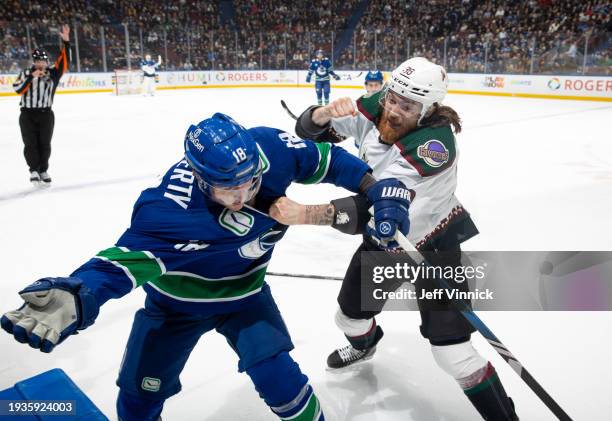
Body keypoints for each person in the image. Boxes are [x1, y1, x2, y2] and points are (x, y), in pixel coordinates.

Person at [1, 113, 409, 421]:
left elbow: (329, 159)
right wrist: (79, 291)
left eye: (251, 181)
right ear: (198, 177)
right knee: (139, 397)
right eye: (229, 187)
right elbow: (116, 266)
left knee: (281, 382)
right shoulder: (166, 210)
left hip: (246, 298)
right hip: (174, 308)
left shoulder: (270, 148)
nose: (243, 194)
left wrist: (375, 188)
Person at [277, 57, 519, 420]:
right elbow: (310, 132)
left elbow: (379, 203)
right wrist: (322, 114)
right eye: (392, 99)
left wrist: (308, 214)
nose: (393, 110)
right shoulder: (381, 103)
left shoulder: (434, 146)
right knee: (348, 321)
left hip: (435, 244)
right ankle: (366, 344)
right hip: (388, 245)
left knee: (453, 355)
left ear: (428, 109)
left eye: (406, 106)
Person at [12, 24, 70, 185]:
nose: (40, 64)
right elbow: (18, 89)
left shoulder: (53, 73)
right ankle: (33, 170)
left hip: (46, 114)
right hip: (27, 114)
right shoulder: (25, 73)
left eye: (43, 61)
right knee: (30, 143)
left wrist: (66, 41)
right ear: (33, 62)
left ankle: (43, 169)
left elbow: (64, 61)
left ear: (46, 62)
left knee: (45, 143)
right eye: (37, 61)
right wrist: (31, 77)